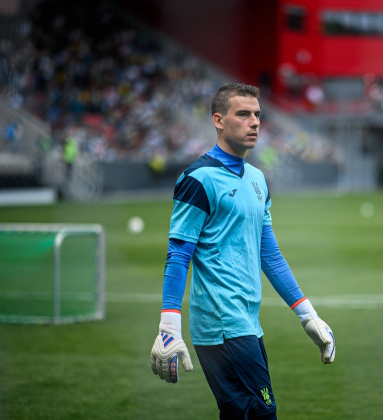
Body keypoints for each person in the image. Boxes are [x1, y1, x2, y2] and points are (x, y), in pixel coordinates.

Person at [150, 83, 335, 419]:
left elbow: (270, 255)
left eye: (258, 115)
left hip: (247, 323)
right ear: (218, 120)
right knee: (263, 414)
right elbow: (179, 253)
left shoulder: (257, 179)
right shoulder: (198, 178)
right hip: (222, 324)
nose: (255, 122)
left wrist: (308, 314)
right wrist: (169, 325)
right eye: (243, 114)